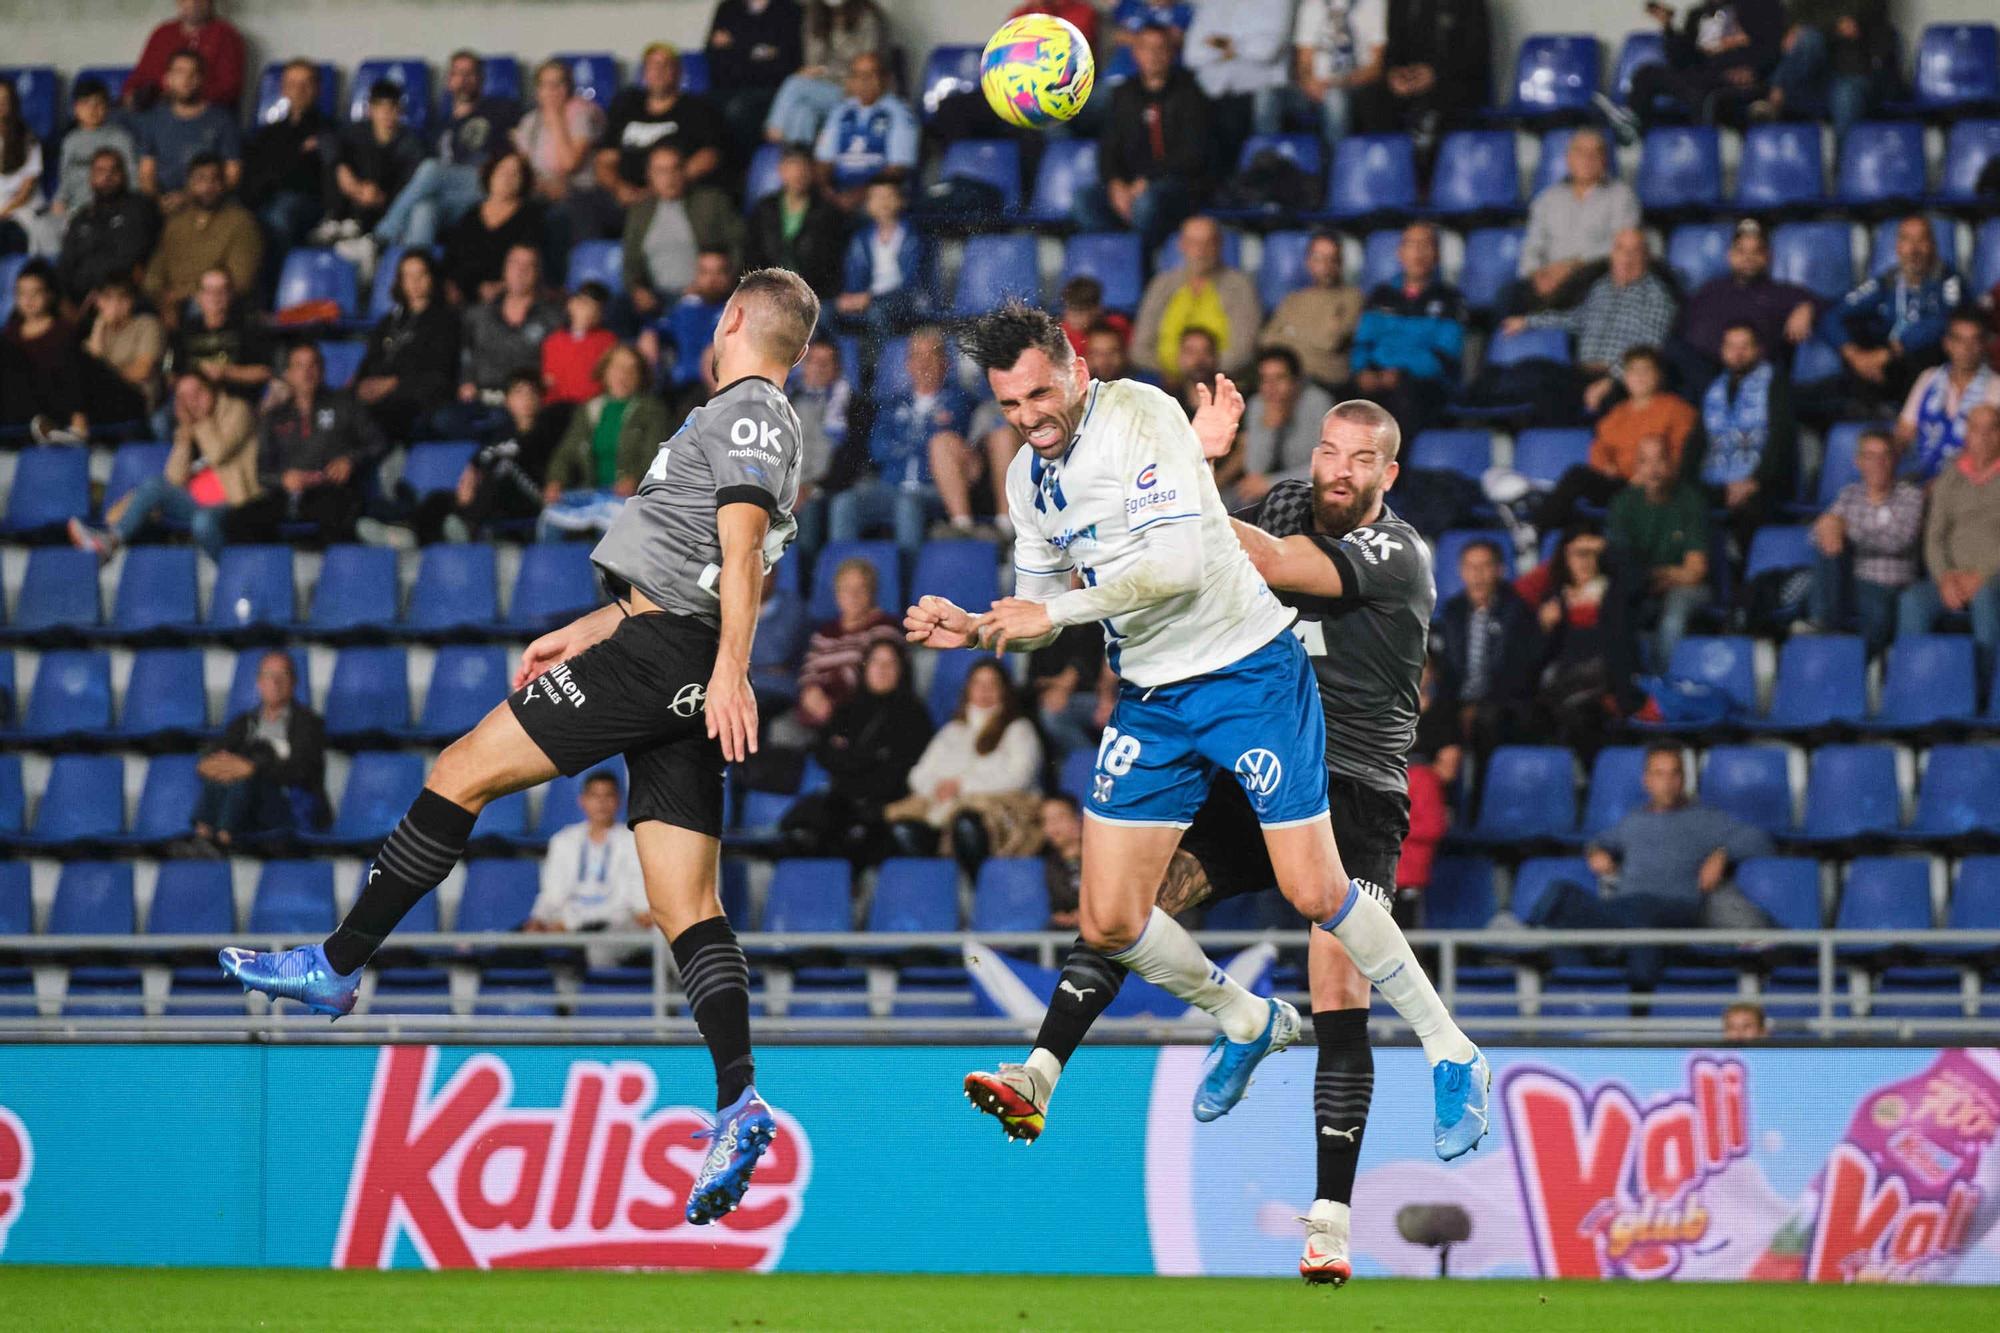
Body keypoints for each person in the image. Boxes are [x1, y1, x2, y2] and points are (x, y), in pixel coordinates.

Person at [221, 268, 824, 1228]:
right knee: (687, 903)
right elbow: (688, 564)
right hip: (657, 650)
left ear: (735, 318)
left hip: (670, 655)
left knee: (458, 772)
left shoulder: (751, 407)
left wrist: (733, 669)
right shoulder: (742, 413)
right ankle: (738, 1099)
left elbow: (739, 549)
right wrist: (589, 630)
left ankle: (337, 963)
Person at [916, 305, 1488, 1258]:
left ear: (1076, 366)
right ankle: (1242, 1018)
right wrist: (982, 623)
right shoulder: (1028, 473)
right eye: (1010, 403)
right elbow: (1042, 599)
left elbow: (1194, 562)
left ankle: (1438, 1068)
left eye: (1040, 393)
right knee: (1109, 913)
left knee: (1319, 902)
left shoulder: (1155, 423)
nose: (1027, 415)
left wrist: (1189, 458)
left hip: (1276, 703)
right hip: (1157, 694)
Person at [1525, 744, 1773, 989]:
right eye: (1659, 773)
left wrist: (1722, 854)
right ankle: (1584, 995)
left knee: (1641, 914)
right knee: (1562, 902)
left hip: (1676, 909)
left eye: (1674, 773)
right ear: (1646, 781)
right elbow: (1599, 841)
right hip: (1625, 910)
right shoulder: (1633, 820)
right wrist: (1595, 851)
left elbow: (1760, 840)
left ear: (1683, 779)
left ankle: (1637, 1003)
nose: (1667, 781)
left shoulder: (1706, 819)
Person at [70, 370, 257, 559]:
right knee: (155, 485)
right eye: (184, 398)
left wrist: (199, 423)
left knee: (203, 522)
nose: (192, 401)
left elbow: (217, 453)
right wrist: (184, 433)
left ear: (212, 390)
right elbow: (174, 478)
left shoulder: (237, 410)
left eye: (198, 392)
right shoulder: (192, 424)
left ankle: (234, 572)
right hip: (197, 502)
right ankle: (110, 541)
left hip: (234, 502)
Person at [886, 659, 1044, 870]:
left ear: (1004, 690)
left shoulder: (1019, 729)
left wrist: (961, 786)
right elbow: (919, 774)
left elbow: (1019, 776)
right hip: (944, 808)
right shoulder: (952, 731)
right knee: (904, 827)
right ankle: (940, 885)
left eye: (992, 684)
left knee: (966, 822)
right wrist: (937, 787)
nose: (985, 690)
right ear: (968, 689)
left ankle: (978, 888)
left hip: (995, 813)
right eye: (978, 684)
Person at [1074, 24, 1215, 253]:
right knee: (1084, 201)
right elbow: (1108, 147)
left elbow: (1193, 155)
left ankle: (1142, 266)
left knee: (1147, 203)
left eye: (1161, 49)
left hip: (1176, 187)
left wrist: (1147, 180)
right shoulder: (1123, 94)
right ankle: (1116, 260)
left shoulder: (1191, 94)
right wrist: (1115, 183)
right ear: (1136, 53)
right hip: (1129, 188)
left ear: (1171, 53)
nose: (1154, 55)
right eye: (1147, 49)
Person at [828, 327, 972, 548]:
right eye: (916, 356)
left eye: (930, 355)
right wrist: (921, 442)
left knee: (907, 503)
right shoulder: (892, 404)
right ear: (908, 364)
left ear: (945, 362)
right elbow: (877, 449)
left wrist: (904, 444)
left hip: (934, 489)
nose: (923, 363)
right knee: (844, 503)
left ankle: (908, 578)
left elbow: (951, 447)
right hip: (891, 486)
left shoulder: (959, 402)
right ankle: (844, 572)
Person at [1509, 228, 1678, 416]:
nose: (1626, 258)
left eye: (1635, 251)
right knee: (1529, 370)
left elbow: (1649, 350)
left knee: (1547, 392)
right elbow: (1576, 318)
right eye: (1620, 249)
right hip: (1581, 373)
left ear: (1646, 256)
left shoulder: (1657, 297)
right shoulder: (1601, 287)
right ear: (1612, 254)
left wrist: (1610, 382)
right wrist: (1528, 321)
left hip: (1618, 379)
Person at [233, 341, 388, 545]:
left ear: (322, 371)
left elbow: (378, 442)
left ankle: (335, 570)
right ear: (288, 374)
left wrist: (350, 460)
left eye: (313, 365)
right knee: (238, 521)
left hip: (331, 491)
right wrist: (283, 479)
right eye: (299, 366)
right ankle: (272, 570)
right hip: (287, 495)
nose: (307, 372)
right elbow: (262, 471)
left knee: (336, 511)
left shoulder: (345, 403)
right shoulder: (275, 416)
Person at [1534, 346, 1697, 536]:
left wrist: (1652, 474)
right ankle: (1535, 529)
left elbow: (1684, 452)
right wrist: (1606, 466)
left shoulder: (1677, 410)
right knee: (1577, 476)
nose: (1639, 377)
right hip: (1622, 484)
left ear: (1658, 376)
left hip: (1657, 485)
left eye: (1646, 370)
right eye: (1633, 371)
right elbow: (1600, 448)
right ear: (1626, 378)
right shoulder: (1617, 413)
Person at [797, 639, 933, 862]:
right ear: (865, 667)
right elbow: (824, 754)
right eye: (876, 662)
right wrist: (871, 756)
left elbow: (899, 769)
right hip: (841, 803)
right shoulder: (847, 710)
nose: (882, 670)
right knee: (807, 830)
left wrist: (851, 755)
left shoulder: (914, 715)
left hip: (885, 808)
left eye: (890, 663)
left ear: (902, 670)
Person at [373, 51, 521, 253]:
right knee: (424, 208)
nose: (463, 80)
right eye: (458, 73)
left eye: (470, 74)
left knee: (431, 169)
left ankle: (380, 236)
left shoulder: (500, 110)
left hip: (486, 184)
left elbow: (520, 145)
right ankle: (419, 271)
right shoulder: (440, 125)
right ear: (449, 80)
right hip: (456, 196)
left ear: (481, 79)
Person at [1898, 405, 2000, 687]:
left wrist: (1982, 576)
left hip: (1993, 578)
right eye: (1976, 429)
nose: (1983, 436)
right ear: (1967, 434)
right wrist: (1944, 578)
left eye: (1992, 429)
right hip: (1951, 578)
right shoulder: (1950, 475)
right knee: (1913, 602)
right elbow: (1934, 536)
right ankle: (1912, 690)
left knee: (1986, 599)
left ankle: (1982, 696)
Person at [1821, 215, 1967, 408]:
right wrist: (1855, 356)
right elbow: (1833, 315)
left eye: (1921, 240)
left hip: (1922, 368)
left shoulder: (1949, 281)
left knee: (1931, 348)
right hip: (1883, 368)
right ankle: (1864, 413)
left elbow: (1946, 320)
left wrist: (1890, 352)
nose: (1914, 250)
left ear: (1933, 246)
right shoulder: (1887, 281)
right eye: (1907, 240)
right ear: (1898, 247)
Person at [188, 650, 327, 852]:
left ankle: (220, 842)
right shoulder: (243, 723)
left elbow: (300, 770)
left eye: (282, 676)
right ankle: (204, 836)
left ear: (294, 683)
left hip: (288, 805)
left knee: (244, 776)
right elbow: (213, 754)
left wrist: (252, 768)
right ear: (259, 683)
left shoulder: (309, 724)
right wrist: (222, 765)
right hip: (249, 806)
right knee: (224, 771)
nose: (275, 682)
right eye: (269, 676)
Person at [537, 342, 672, 541]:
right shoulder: (590, 409)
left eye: (631, 369)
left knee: (609, 529)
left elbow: (657, 455)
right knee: (549, 520)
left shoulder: (652, 411)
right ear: (605, 371)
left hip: (632, 497)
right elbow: (566, 452)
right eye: (617, 367)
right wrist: (556, 481)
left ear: (641, 376)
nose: (623, 375)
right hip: (590, 493)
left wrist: (635, 479)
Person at [1669, 218, 1818, 396]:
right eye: (1741, 251)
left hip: (1754, 378)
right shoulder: (1710, 289)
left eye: (1756, 251)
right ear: (1730, 255)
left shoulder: (1782, 294)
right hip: (1705, 375)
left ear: (1768, 256)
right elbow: (1681, 330)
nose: (1749, 258)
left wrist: (1807, 308)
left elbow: (1828, 305)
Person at [413, 371, 564, 544]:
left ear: (541, 400)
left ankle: (468, 527)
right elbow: (479, 459)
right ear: (507, 401)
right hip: (492, 496)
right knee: (436, 500)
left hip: (530, 497)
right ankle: (417, 545)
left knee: (503, 467)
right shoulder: (500, 434)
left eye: (532, 393)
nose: (526, 399)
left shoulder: (547, 434)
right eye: (519, 393)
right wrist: (468, 478)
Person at [1808, 427, 1922, 655]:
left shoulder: (1910, 495)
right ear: (1859, 462)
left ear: (1895, 460)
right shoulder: (1849, 494)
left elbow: (1898, 541)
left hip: (1889, 584)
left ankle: (1843, 649)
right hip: (1850, 584)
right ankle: (1823, 630)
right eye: (1870, 456)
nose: (1878, 463)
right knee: (1827, 545)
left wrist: (1846, 529)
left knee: (1871, 608)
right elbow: (1817, 535)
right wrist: (1829, 526)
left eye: (1885, 455)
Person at [1686, 322, 1795, 552]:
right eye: (1731, 346)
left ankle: (1743, 577)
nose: (1737, 353)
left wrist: (1753, 481)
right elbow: (1697, 442)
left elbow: (1780, 438)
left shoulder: (1775, 383)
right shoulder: (1713, 388)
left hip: (1762, 482)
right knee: (1683, 499)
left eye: (1745, 346)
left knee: (1751, 509)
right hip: (1718, 480)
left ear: (1758, 350)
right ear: (1722, 350)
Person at [1430, 537, 1542, 757]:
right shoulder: (1453, 612)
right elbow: (1448, 671)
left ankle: (1482, 789)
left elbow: (1520, 673)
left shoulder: (1517, 612)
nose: (1477, 575)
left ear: (1500, 570)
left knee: (1489, 720)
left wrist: (1478, 705)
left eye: (1485, 566)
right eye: (1471, 567)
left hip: (1502, 703)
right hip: (1459, 701)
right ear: (1461, 571)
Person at [1608, 433, 1710, 672]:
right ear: (1637, 468)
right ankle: (1626, 686)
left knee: (1673, 617)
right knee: (1615, 608)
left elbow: (1696, 572)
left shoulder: (1690, 500)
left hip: (1686, 588)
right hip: (1642, 585)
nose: (1653, 469)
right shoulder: (1624, 503)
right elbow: (1622, 566)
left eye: (1660, 460)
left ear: (1671, 463)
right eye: (1645, 461)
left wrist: (1655, 575)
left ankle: (1661, 687)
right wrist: (1655, 576)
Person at [1511, 130, 1642, 315]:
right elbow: (1532, 246)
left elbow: (1623, 247)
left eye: (1595, 153)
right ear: (1569, 158)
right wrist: (1536, 275)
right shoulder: (1547, 198)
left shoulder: (1622, 197)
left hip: (1593, 276)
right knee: (1509, 295)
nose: (1587, 159)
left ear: (1604, 159)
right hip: (1548, 277)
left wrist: (1571, 267)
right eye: (1580, 152)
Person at [526, 771, 651, 964]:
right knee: (518, 946)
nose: (601, 803)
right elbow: (552, 894)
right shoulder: (564, 840)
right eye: (594, 796)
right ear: (582, 801)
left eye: (608, 796)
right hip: (567, 923)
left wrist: (568, 923)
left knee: (600, 950)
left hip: (611, 923)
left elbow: (628, 902)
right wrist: (538, 919)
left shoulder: (632, 840)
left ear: (619, 801)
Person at [1350, 222, 1464, 432]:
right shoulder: (1381, 295)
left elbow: (1444, 356)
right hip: (1377, 376)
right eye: (1412, 244)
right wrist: (1363, 371)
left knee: (1404, 399)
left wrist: (1401, 373)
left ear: (1437, 255)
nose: (1418, 252)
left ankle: (1396, 464)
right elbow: (1362, 342)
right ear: (1400, 253)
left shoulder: (1450, 299)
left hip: (1423, 383)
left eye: (1426, 245)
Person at [620, 145, 744, 329]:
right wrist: (637, 290)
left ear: (685, 170)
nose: (669, 177)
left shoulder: (711, 202)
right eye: (661, 171)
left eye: (675, 168)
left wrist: (716, 282)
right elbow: (630, 261)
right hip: (657, 298)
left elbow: (739, 245)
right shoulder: (640, 212)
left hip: (704, 295)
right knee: (618, 308)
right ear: (650, 175)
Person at [1617, 0, 1787, 132]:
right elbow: (1682, 61)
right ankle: (1633, 131)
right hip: (1701, 76)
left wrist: (1755, 71)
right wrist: (1668, 27)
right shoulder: (1697, 14)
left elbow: (1775, 48)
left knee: (1702, 95)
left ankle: (1699, 148)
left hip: (1737, 80)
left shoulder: (1762, 5)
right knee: (1646, 74)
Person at [1520, 526, 1617, 754]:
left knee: (1579, 709)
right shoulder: (1555, 598)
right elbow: (1536, 656)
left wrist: (1605, 548)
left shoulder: (1616, 594)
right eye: (1578, 554)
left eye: (1591, 554)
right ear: (1565, 558)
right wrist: (1544, 628)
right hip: (1564, 677)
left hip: (1602, 677)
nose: (1584, 561)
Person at [1131, 215, 1262, 382]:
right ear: (1181, 245)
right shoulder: (1162, 284)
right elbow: (1140, 348)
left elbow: (1244, 350)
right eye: (1193, 243)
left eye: (1208, 243)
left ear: (1219, 245)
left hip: (1223, 381)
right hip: (1165, 381)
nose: (1201, 251)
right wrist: (1172, 372)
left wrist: (1199, 372)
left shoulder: (1240, 286)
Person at [353, 248, 462, 442]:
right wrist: (361, 384)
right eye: (408, 276)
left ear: (432, 277)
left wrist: (393, 384)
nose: (415, 282)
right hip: (378, 398)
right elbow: (369, 361)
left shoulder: (446, 322)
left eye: (421, 275)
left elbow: (439, 376)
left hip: (417, 403)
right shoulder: (388, 322)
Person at [597, 43, 726, 206]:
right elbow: (605, 160)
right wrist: (618, 187)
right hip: (625, 196)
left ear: (678, 72)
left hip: (676, 194)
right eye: (653, 65)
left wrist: (662, 186)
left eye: (666, 65)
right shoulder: (626, 105)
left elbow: (709, 157)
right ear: (644, 73)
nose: (659, 71)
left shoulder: (697, 109)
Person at [455, 244, 564, 433]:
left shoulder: (553, 318)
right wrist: (466, 381)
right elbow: (465, 352)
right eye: (514, 264)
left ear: (537, 273)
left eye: (528, 265)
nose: (520, 271)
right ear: (505, 269)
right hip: (481, 398)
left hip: (525, 403)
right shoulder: (479, 314)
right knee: (442, 420)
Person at [1360, 0, 1489, 160]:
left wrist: (1435, 74)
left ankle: (1428, 176)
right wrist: (1395, 74)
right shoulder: (1400, 4)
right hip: (1412, 80)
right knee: (1372, 98)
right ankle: (1385, 170)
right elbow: (1393, 47)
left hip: (1453, 81)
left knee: (1434, 107)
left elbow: (1475, 55)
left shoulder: (1469, 4)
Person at [787, 557, 901, 736]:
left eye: (860, 588)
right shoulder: (825, 632)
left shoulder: (884, 627)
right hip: (815, 708)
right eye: (846, 589)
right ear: (837, 593)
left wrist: (830, 701)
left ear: (872, 591)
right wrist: (811, 692)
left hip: (858, 710)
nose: (852, 596)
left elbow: (870, 675)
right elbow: (808, 672)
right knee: (781, 730)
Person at [142, 153, 261, 319]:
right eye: (200, 180)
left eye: (215, 180)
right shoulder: (176, 222)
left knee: (198, 309)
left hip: (212, 303)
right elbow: (156, 268)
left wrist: (180, 296)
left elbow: (241, 281)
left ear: (224, 183)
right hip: (168, 302)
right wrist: (160, 298)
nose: (208, 187)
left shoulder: (241, 222)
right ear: (189, 184)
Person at [1753, 1, 1894, 134]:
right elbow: (1797, 18)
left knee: (1845, 98)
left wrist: (1816, 25)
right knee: (1809, 39)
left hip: (1851, 70)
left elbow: (1859, 17)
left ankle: (1844, 158)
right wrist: (1830, 25)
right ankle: (1774, 97)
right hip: (1813, 70)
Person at [240, 61, 331, 268]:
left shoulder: (329, 130)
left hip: (305, 203)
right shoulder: (267, 133)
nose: (299, 90)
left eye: (306, 83)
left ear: (317, 88)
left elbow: (308, 178)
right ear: (283, 89)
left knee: (279, 216)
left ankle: (280, 288)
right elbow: (254, 173)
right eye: (293, 84)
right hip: (264, 197)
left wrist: (282, 167)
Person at [514, 59, 611, 245]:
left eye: (559, 84)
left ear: (569, 87)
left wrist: (557, 119)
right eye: (546, 85)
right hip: (540, 190)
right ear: (537, 90)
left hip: (579, 191)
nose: (553, 90)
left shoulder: (582, 113)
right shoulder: (530, 121)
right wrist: (539, 185)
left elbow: (569, 164)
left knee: (561, 216)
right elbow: (522, 168)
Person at [765, 0, 886, 146]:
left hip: (853, 90)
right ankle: (800, 158)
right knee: (803, 112)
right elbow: (812, 62)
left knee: (795, 83)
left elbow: (866, 66)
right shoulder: (814, 15)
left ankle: (775, 129)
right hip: (822, 88)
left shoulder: (868, 18)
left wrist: (826, 70)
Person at [1222, 346, 1335, 504]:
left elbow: (1324, 466)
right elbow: (1254, 469)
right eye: (1265, 379)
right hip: (1269, 490)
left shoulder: (1317, 402)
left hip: (1309, 490)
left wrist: (1271, 483)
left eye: (1279, 378)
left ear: (1296, 381)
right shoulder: (1258, 403)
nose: (1271, 388)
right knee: (1225, 502)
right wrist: (1269, 429)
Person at [1896, 313, 2000, 480]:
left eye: (1974, 341)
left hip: (1975, 479)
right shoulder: (1928, 378)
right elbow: (1904, 433)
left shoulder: (1996, 386)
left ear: (1983, 345)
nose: (1967, 348)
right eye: (1960, 340)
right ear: (1947, 344)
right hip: (1923, 474)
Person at [1182, 0, 1295, 151]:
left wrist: (1219, 44)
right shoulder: (1212, 4)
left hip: (1257, 93)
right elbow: (1192, 55)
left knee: (1261, 103)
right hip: (1214, 94)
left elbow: (1265, 51)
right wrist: (1240, 47)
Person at [135, 53, 242, 210]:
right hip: (163, 204)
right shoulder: (154, 119)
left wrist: (189, 198)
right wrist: (158, 201)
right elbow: (146, 174)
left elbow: (232, 175)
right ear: (168, 79)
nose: (186, 79)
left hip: (209, 202)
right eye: (179, 72)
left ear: (202, 79)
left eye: (193, 73)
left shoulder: (222, 120)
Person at [812, 54, 918, 212]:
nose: (863, 81)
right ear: (850, 81)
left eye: (870, 75)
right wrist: (826, 191)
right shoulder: (840, 111)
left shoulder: (900, 113)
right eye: (857, 75)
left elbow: (897, 169)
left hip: (879, 196)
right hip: (839, 193)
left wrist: (857, 196)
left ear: (886, 79)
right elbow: (824, 162)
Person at [324, 80, 424, 247]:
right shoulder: (356, 132)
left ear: (400, 110)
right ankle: (336, 220)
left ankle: (358, 227)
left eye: (392, 107)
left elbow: (411, 185)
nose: (386, 113)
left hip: (386, 208)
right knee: (338, 160)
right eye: (380, 107)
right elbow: (327, 141)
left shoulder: (412, 143)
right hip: (351, 199)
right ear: (370, 109)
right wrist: (343, 171)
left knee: (376, 161)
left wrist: (381, 197)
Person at [438, 151, 546, 304]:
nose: (507, 179)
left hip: (504, 297)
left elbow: (532, 264)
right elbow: (450, 258)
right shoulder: (471, 215)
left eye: (515, 174)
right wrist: (451, 286)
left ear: (523, 181)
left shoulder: (531, 217)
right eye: (502, 171)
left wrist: (503, 287)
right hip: (461, 295)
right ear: (491, 174)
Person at [55, 148, 159, 305]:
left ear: (124, 175)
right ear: (91, 178)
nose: (107, 176)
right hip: (80, 302)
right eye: (100, 171)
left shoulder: (139, 208)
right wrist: (65, 304)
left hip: (124, 298)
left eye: (114, 169)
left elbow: (138, 258)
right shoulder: (81, 218)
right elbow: (65, 266)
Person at [1261, 230, 1362, 389]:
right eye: (1318, 258)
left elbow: (1330, 342)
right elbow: (1268, 340)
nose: (1325, 265)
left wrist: (1291, 332)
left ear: (1340, 263)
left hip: (1326, 382)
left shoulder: (1352, 297)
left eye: (1332, 259)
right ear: (1308, 261)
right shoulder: (1293, 299)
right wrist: (1313, 336)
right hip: (1287, 381)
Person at [834, 176, 932, 339]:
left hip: (904, 299)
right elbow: (854, 275)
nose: (883, 203)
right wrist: (851, 297)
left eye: (889, 196)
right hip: (868, 298)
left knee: (876, 313)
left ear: (901, 201)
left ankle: (881, 362)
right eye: (877, 197)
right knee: (825, 312)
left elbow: (912, 283)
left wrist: (871, 298)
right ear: (868, 204)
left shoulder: (913, 236)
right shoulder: (861, 238)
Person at [1, 261, 88, 442]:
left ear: (50, 294)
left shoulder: (63, 331)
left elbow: (73, 378)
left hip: (51, 405)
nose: (28, 300)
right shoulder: (10, 333)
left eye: (35, 293)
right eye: (22, 293)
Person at [162, 265, 270, 410]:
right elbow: (171, 373)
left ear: (231, 294)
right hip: (191, 403)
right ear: (199, 296)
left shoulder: (247, 327)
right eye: (209, 291)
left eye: (222, 290)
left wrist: (226, 372)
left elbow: (264, 372)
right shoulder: (185, 330)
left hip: (233, 402)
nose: (216, 297)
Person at [744, 143, 843, 299]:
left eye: (804, 168)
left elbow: (830, 265)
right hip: (769, 292)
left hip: (813, 294)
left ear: (812, 172)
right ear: (781, 170)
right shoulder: (764, 209)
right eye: (792, 167)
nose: (798, 174)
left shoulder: (827, 213)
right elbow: (752, 255)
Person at [707, 0, 806, 154]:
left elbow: (789, 64)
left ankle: (744, 170)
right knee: (700, 108)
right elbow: (713, 57)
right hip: (727, 87)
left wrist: (735, 46)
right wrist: (758, 51)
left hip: (774, 91)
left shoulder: (790, 10)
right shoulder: (728, 8)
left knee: (739, 109)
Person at [1289, 0, 1386, 143]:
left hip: (1356, 82)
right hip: (1317, 84)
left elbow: (1376, 67)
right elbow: (1303, 61)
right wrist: (1309, 81)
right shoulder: (1312, 4)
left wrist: (1339, 82)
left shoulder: (1373, 3)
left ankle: (1336, 162)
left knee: (1334, 97)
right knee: (1268, 96)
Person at [785, 336, 848, 555]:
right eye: (813, 361)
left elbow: (849, 463)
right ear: (803, 366)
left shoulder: (851, 405)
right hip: (786, 488)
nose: (819, 368)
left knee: (809, 512)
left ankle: (806, 584)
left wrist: (811, 488)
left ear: (837, 369)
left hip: (823, 489)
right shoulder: (784, 401)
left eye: (826, 362)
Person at [127, 0, 246, 111]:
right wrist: (131, 96)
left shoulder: (226, 35)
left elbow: (230, 90)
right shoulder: (162, 33)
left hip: (204, 114)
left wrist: (182, 95)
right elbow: (139, 78)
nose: (192, 3)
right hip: (157, 111)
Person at [50, 78, 138, 225]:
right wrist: (59, 201)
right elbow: (64, 180)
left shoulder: (121, 139)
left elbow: (133, 179)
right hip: (75, 210)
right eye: (86, 104)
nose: (93, 110)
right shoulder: (70, 141)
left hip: (112, 208)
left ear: (107, 107)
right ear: (76, 109)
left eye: (99, 104)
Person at [81, 275, 165, 425]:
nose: (115, 305)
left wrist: (104, 375)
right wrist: (99, 326)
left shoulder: (147, 324)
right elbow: (88, 371)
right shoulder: (94, 333)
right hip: (102, 398)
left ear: (131, 301)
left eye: (122, 299)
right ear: (98, 302)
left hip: (137, 397)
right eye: (108, 299)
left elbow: (142, 371)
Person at [0, 81, 56, 257]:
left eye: (4, 100)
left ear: (13, 104)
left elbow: (25, 192)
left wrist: (3, 212)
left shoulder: (27, 140)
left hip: (19, 214)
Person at [541, 280, 618, 406]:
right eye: (584, 304)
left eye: (596, 308)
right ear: (571, 304)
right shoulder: (553, 341)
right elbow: (549, 381)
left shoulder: (608, 341)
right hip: (558, 408)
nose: (588, 312)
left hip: (591, 408)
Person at [1039, 794, 1085, 930]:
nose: (1052, 826)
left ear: (1077, 820)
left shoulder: (1102, 857)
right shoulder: (1049, 863)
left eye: (1059, 818)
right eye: (1045, 820)